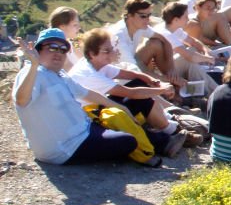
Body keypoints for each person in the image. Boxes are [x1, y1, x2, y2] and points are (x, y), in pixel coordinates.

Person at [12, 29, 151, 166]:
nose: (58, 53)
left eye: (63, 49)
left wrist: (122, 107)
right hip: (66, 148)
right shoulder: (32, 73)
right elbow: (22, 100)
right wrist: (34, 65)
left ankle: (161, 137)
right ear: (38, 51)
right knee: (129, 141)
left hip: (85, 130)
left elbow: (87, 93)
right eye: (52, 47)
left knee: (132, 106)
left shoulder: (59, 74)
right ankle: (156, 142)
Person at [69, 29, 192, 151]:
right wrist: (162, 90)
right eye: (107, 51)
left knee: (138, 85)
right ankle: (170, 135)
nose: (112, 52)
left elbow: (135, 75)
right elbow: (131, 92)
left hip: (97, 111)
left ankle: (171, 129)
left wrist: (156, 83)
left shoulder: (95, 63)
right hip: (90, 121)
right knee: (138, 99)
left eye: (111, 48)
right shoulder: (89, 74)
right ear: (91, 54)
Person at [107, 0, 182, 89]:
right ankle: (171, 87)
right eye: (143, 16)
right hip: (118, 75)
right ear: (130, 15)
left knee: (156, 43)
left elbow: (165, 41)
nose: (148, 19)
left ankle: (173, 84)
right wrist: (163, 80)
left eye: (149, 15)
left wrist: (171, 69)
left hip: (132, 64)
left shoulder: (140, 26)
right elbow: (135, 70)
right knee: (141, 74)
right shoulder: (118, 37)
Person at [154, 2, 218, 94]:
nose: (188, 19)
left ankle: (211, 91)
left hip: (171, 65)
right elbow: (188, 56)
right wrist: (208, 59)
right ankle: (214, 90)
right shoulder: (165, 33)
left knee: (192, 59)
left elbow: (193, 41)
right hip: (163, 71)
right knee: (186, 58)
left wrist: (206, 51)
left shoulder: (174, 28)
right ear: (176, 19)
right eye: (185, 17)